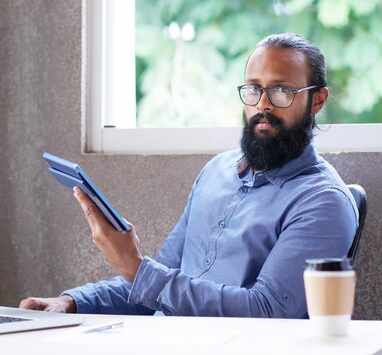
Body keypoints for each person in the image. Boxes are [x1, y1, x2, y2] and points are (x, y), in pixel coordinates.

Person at [20, 33, 358, 318]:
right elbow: (159, 280)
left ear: (317, 100)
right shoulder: (216, 173)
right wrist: (71, 303)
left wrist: (136, 268)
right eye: (254, 88)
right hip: (159, 350)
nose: (263, 105)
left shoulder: (324, 202)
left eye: (282, 91)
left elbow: (266, 312)